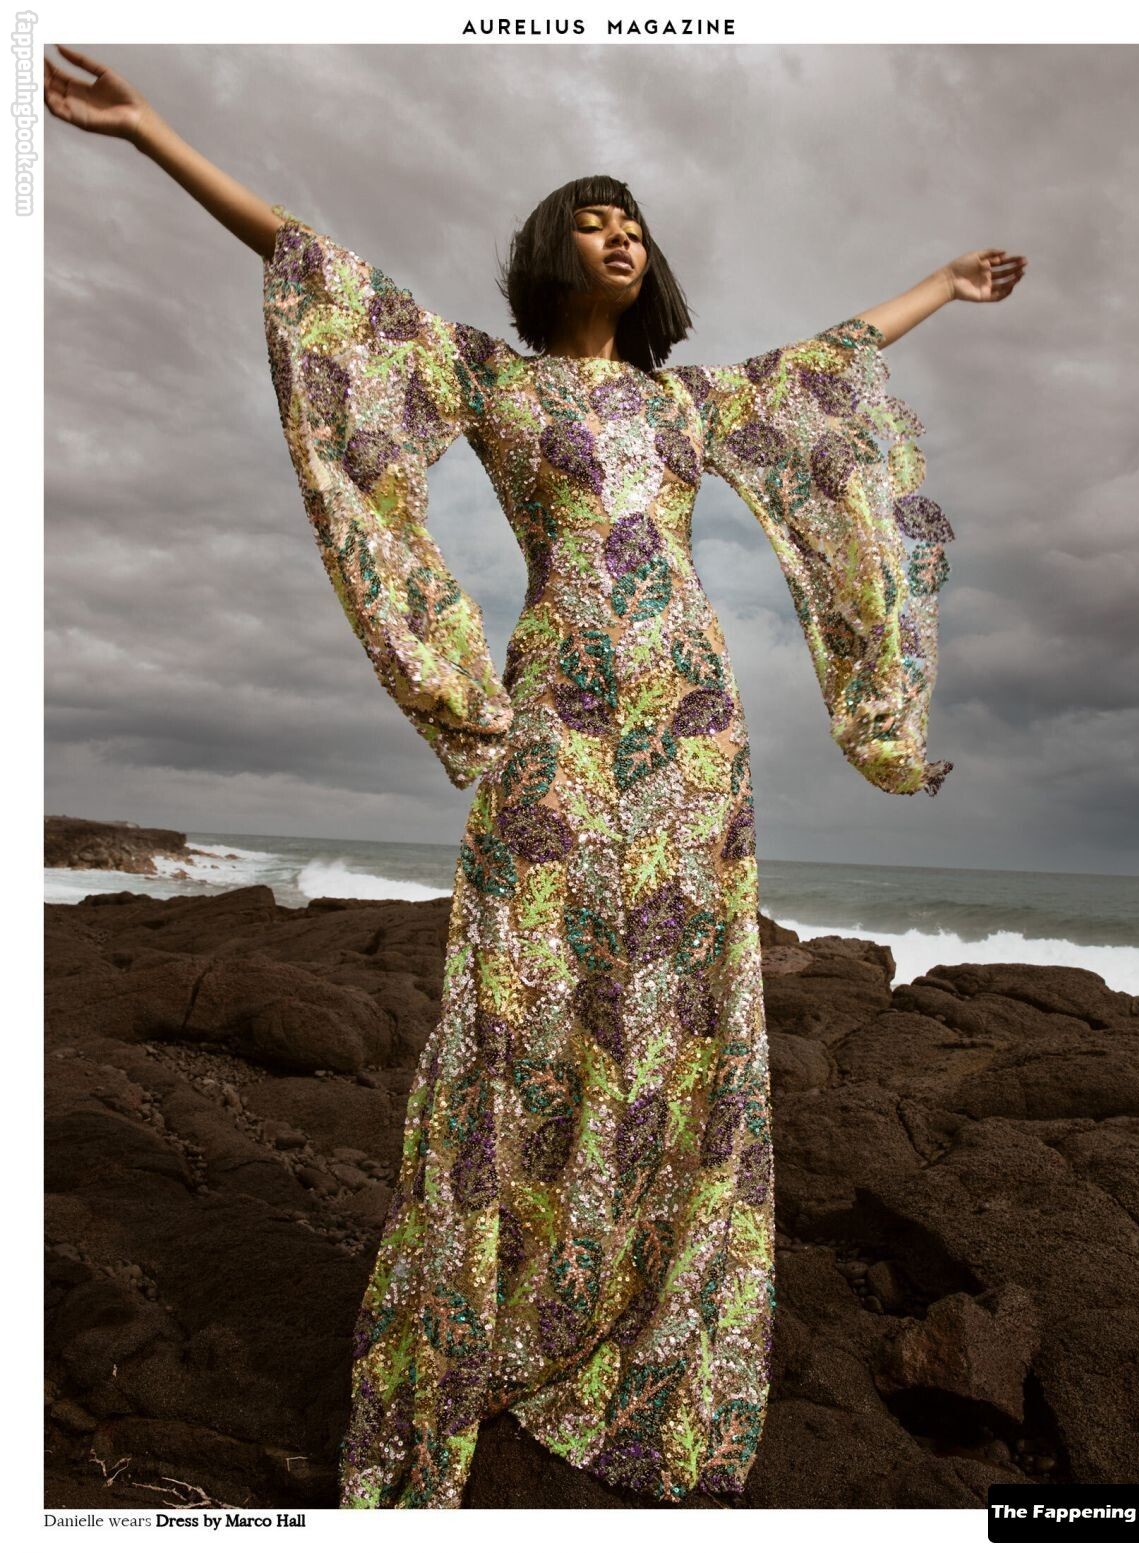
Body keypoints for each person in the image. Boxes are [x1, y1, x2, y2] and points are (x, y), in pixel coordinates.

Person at [45, 44, 1028, 1511]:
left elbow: (830, 363)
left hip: (692, 727)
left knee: (681, 1013)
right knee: (525, 996)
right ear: (549, 249)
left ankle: (643, 1314)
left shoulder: (691, 408)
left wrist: (941, 283)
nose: (620, 235)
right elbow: (323, 274)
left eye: (635, 222)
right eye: (593, 219)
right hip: (555, 715)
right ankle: (507, 1300)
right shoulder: (491, 378)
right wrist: (150, 133)